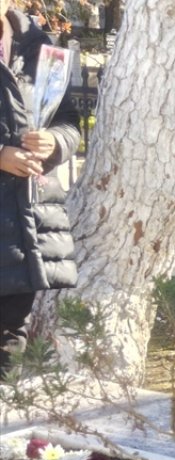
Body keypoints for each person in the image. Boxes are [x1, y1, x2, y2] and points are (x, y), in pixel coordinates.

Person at [0, 0, 81, 379]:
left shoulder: (36, 43)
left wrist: (54, 142)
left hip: (22, 229)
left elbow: (68, 122)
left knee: (8, 355)